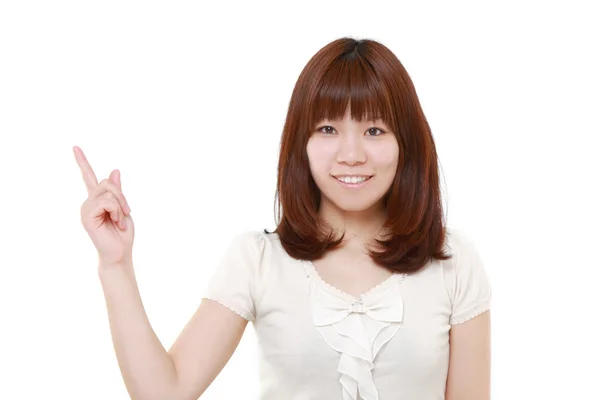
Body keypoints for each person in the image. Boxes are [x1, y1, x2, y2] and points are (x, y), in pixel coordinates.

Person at [74, 37, 492, 400]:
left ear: (407, 143)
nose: (351, 154)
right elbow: (165, 391)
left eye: (374, 130)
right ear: (301, 142)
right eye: (328, 129)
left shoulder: (452, 263)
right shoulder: (256, 261)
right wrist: (116, 265)